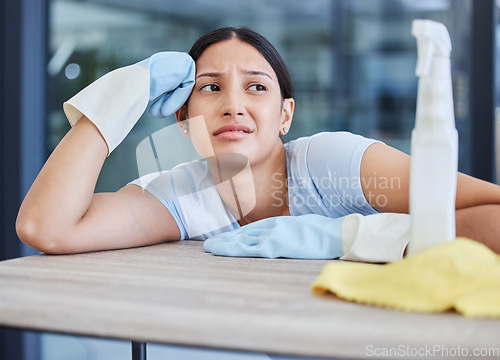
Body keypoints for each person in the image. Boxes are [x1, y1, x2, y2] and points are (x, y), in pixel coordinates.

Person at [16, 27, 500, 255]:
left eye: (256, 86)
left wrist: (353, 236)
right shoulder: (183, 196)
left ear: (285, 114)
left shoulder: (330, 164)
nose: (233, 105)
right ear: (183, 120)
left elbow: (493, 211)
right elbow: (47, 228)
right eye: (210, 87)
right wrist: (122, 95)